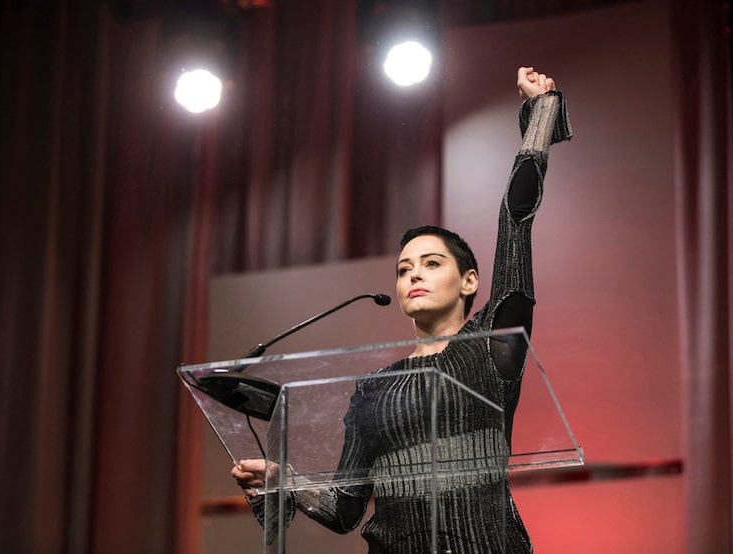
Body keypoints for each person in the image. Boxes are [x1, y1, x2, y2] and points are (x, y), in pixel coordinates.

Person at [231, 66, 572, 553]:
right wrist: (284, 480)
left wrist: (540, 116)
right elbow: (346, 509)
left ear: (469, 281)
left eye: (431, 264)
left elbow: (515, 220)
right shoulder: (373, 389)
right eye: (404, 268)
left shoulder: (492, 348)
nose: (413, 275)